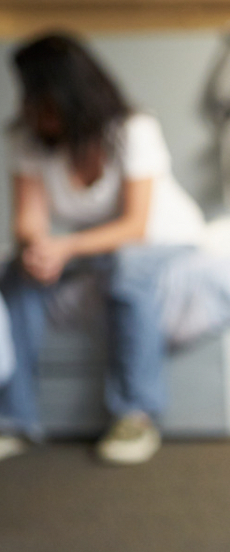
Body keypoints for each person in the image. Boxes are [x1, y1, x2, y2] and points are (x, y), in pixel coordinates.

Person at [1, 32, 205, 465]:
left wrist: (67, 247)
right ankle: (15, 418)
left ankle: (135, 412)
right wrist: (36, 248)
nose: (31, 106)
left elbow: (135, 225)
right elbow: (29, 217)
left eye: (39, 95)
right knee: (16, 274)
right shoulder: (30, 140)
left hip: (159, 238)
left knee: (128, 274)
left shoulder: (133, 129)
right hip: (89, 246)